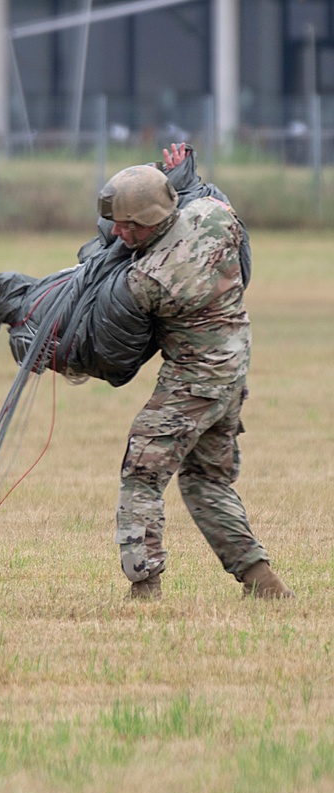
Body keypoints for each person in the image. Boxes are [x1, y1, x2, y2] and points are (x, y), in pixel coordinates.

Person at [101, 143, 293, 599]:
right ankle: (263, 583)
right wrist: (179, 179)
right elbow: (210, 211)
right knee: (206, 480)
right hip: (232, 369)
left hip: (194, 380)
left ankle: (143, 586)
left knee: (142, 473)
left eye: (124, 226)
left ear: (144, 224)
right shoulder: (214, 214)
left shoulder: (148, 278)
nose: (115, 231)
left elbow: (116, 349)